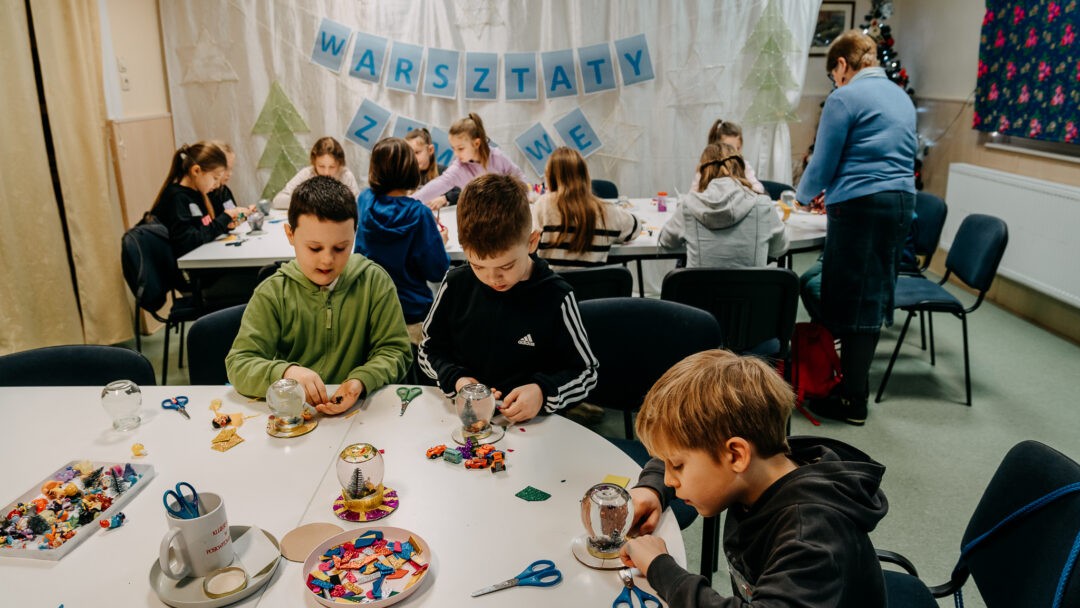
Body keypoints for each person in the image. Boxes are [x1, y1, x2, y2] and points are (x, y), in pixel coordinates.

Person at [620, 349, 889, 607]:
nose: (669, 479)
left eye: (676, 465)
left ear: (736, 455)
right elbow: (685, 446)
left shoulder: (808, 536)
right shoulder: (765, 465)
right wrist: (651, 489)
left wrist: (661, 569)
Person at [795, 30, 917, 426]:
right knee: (872, 292)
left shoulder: (845, 98)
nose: (836, 82)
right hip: (900, 203)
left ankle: (852, 400)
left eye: (835, 74)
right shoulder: (900, 96)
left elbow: (823, 162)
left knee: (848, 295)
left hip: (862, 206)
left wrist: (802, 196)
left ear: (843, 65)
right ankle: (849, 382)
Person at [418, 174, 598, 423]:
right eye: (478, 266)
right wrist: (457, 380)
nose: (493, 278)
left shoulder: (556, 296)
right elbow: (428, 350)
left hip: (532, 425)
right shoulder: (455, 283)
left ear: (532, 242)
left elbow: (586, 372)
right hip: (464, 417)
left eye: (507, 265)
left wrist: (542, 392)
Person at [226, 175, 412, 415]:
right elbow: (239, 364)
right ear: (290, 235)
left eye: (340, 248)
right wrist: (286, 373)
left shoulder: (374, 282)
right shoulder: (273, 293)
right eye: (314, 248)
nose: (327, 260)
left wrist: (361, 381)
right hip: (295, 415)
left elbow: (395, 351)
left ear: (354, 235)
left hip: (360, 415)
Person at [355, 137, 450, 343]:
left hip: (370, 310)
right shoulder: (420, 214)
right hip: (411, 315)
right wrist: (439, 243)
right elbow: (437, 271)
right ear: (411, 170)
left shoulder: (364, 200)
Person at [660, 143, 788, 268]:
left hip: (701, 288)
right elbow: (779, 249)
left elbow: (666, 241)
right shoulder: (763, 205)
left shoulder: (688, 206)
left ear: (702, 172)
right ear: (740, 168)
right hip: (751, 289)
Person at [531, 147, 641, 268]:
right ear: (585, 175)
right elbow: (636, 228)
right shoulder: (607, 210)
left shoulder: (542, 205)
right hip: (593, 286)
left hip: (554, 286)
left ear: (550, 177)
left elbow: (529, 241)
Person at [150, 141, 253, 259]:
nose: (217, 185)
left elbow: (205, 230)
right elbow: (189, 241)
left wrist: (227, 224)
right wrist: (225, 217)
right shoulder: (177, 197)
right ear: (196, 171)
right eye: (215, 178)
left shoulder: (198, 194)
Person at [411, 113, 527, 210]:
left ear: (476, 143)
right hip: (476, 216)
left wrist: (528, 195)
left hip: (503, 212)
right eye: (453, 148)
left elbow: (519, 177)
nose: (456, 154)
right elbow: (438, 185)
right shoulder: (459, 167)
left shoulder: (497, 157)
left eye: (460, 148)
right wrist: (408, 202)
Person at [272, 137, 361, 210]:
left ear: (340, 164)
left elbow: (357, 205)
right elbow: (278, 201)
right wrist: (309, 201)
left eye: (332, 167)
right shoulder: (307, 174)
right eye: (321, 166)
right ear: (314, 163)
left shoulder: (346, 176)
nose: (326, 173)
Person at [690, 120, 765, 195]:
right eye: (729, 148)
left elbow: (759, 189)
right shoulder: (705, 167)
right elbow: (693, 194)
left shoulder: (743, 165)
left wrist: (743, 186)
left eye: (738, 148)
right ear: (715, 148)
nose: (735, 152)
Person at [404, 127, 461, 205]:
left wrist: (444, 198)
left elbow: (461, 191)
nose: (412, 158)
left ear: (430, 150)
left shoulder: (444, 172)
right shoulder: (404, 175)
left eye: (417, 152)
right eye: (409, 154)